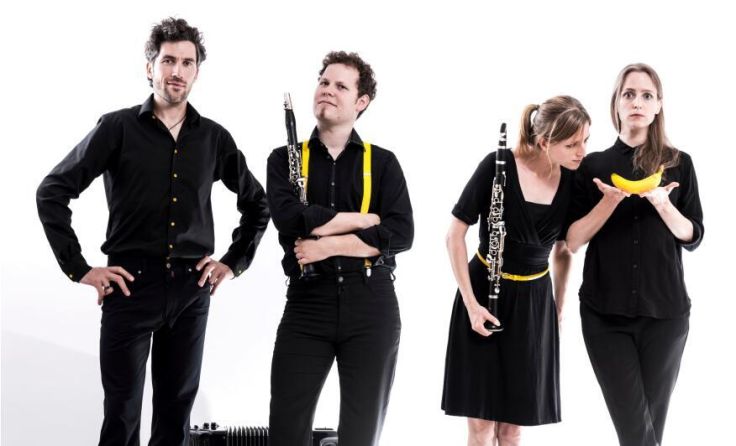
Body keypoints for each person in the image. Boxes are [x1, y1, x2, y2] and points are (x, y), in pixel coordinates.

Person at [36, 17, 269, 446]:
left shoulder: (214, 138)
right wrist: (80, 269)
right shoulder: (117, 128)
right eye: (168, 61)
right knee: (121, 415)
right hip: (130, 286)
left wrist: (233, 263)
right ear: (150, 67)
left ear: (197, 72)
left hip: (190, 288)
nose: (177, 71)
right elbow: (52, 192)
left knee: (176, 417)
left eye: (187, 63)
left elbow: (258, 204)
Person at [266, 51, 413, 446]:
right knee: (285, 431)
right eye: (324, 82)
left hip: (371, 305)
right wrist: (363, 220)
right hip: (307, 304)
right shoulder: (282, 159)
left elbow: (401, 233)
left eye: (340, 86)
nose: (327, 90)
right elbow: (289, 219)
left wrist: (328, 246)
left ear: (361, 102)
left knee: (361, 435)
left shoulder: (384, 163)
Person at [566, 63, 703, 446]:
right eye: (629, 94)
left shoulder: (679, 163)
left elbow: (693, 235)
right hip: (604, 315)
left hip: (667, 316)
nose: (637, 102)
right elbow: (572, 240)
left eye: (646, 95)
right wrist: (608, 203)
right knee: (635, 430)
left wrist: (663, 203)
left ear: (658, 105)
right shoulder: (592, 166)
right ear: (616, 103)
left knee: (647, 433)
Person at [442, 96, 590, 446]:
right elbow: (454, 236)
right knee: (481, 425)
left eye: (585, 141)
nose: (582, 152)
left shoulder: (573, 179)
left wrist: (558, 307)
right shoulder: (497, 166)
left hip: (534, 304)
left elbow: (563, 250)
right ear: (545, 142)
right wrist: (471, 305)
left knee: (513, 429)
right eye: (572, 144)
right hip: (482, 297)